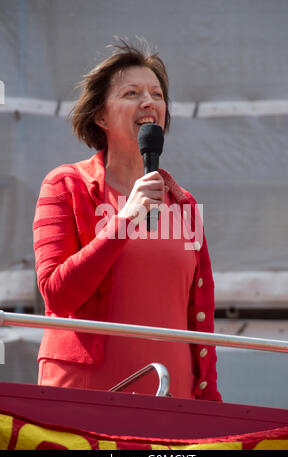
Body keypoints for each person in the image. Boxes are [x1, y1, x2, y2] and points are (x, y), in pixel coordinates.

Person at [33, 38, 221, 401]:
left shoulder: (185, 205)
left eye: (157, 94)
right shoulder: (64, 185)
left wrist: (210, 402)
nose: (149, 102)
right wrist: (124, 220)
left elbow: (199, 322)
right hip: (86, 400)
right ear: (100, 116)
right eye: (131, 93)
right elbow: (58, 295)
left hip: (173, 397)